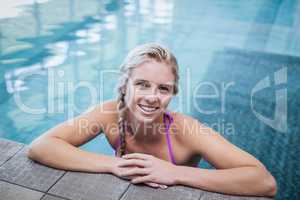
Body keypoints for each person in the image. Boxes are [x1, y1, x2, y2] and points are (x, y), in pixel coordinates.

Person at [27, 43, 277, 197]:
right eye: (142, 85)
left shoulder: (187, 130)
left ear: (173, 94)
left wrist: (175, 173)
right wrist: (114, 165)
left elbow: (263, 182)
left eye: (163, 89)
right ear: (124, 85)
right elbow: (42, 146)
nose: (152, 97)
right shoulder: (109, 114)